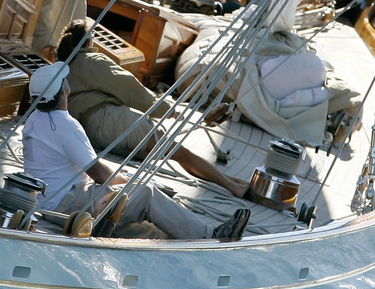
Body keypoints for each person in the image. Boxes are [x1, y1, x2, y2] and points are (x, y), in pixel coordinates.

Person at [20, 61, 250, 241]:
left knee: (146, 217)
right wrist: (130, 181)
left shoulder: (34, 120)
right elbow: (100, 174)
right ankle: (209, 236)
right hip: (67, 204)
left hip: (50, 203)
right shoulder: (65, 125)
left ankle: (170, 233)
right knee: (146, 193)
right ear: (63, 92)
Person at [57, 20, 250, 199]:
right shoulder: (92, 60)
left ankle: (231, 181)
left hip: (93, 132)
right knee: (178, 152)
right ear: (89, 41)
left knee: (173, 153)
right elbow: (128, 87)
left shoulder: (63, 68)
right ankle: (234, 187)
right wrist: (166, 109)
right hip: (111, 120)